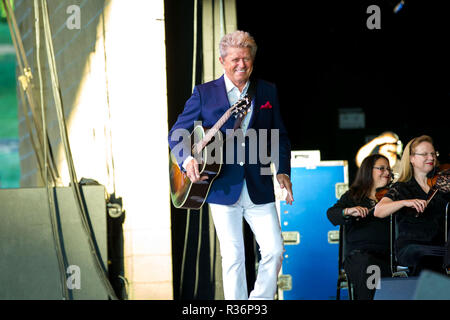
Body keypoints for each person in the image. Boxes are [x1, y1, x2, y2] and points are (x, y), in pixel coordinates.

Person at [168, 30, 293, 300]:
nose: (241, 65)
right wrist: (187, 159)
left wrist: (282, 170)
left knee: (274, 249)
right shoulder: (204, 93)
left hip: (259, 185)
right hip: (221, 186)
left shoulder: (267, 90)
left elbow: (280, 135)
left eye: (246, 59)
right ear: (223, 61)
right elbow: (177, 131)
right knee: (233, 255)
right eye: (235, 59)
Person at [374, 135, 449, 275]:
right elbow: (379, 211)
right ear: (411, 158)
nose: (431, 158)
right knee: (428, 259)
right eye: (425, 154)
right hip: (412, 246)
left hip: (440, 245)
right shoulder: (402, 188)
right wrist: (404, 202)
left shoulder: (443, 185)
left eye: (433, 154)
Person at [327, 154, 392, 300]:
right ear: (368, 170)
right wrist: (348, 211)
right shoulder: (353, 196)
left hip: (387, 257)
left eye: (389, 169)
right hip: (360, 256)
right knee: (369, 268)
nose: (387, 173)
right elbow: (332, 214)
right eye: (381, 168)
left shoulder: (392, 196)